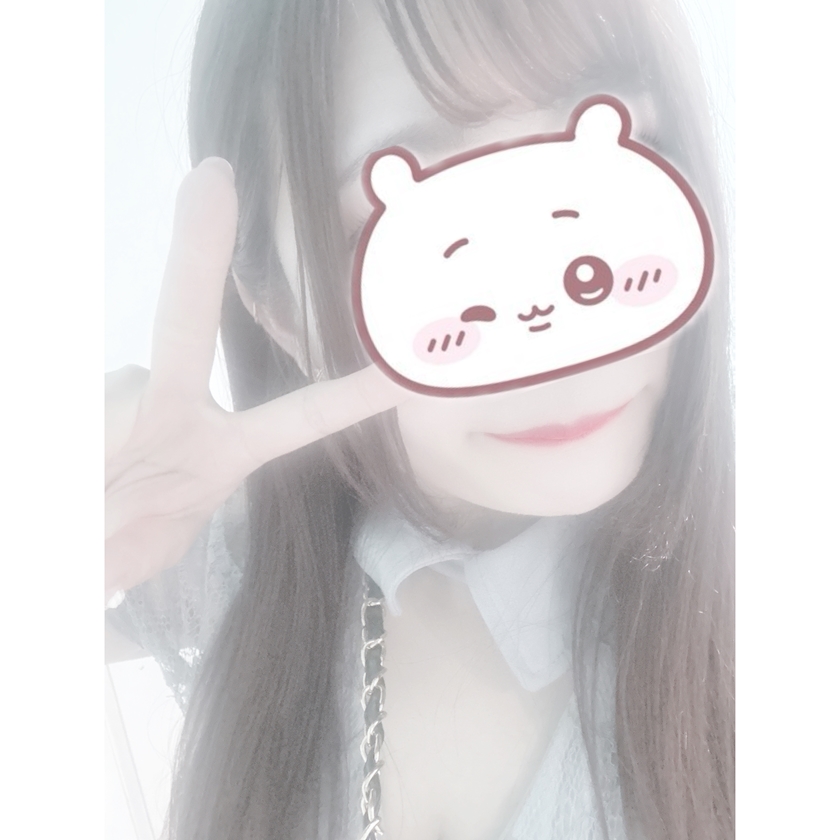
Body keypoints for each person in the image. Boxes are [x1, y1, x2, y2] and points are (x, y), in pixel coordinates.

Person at [105, 0, 734, 838]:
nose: (550, 342)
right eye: (402, 227)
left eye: (618, 161)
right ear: (280, 313)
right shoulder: (219, 561)